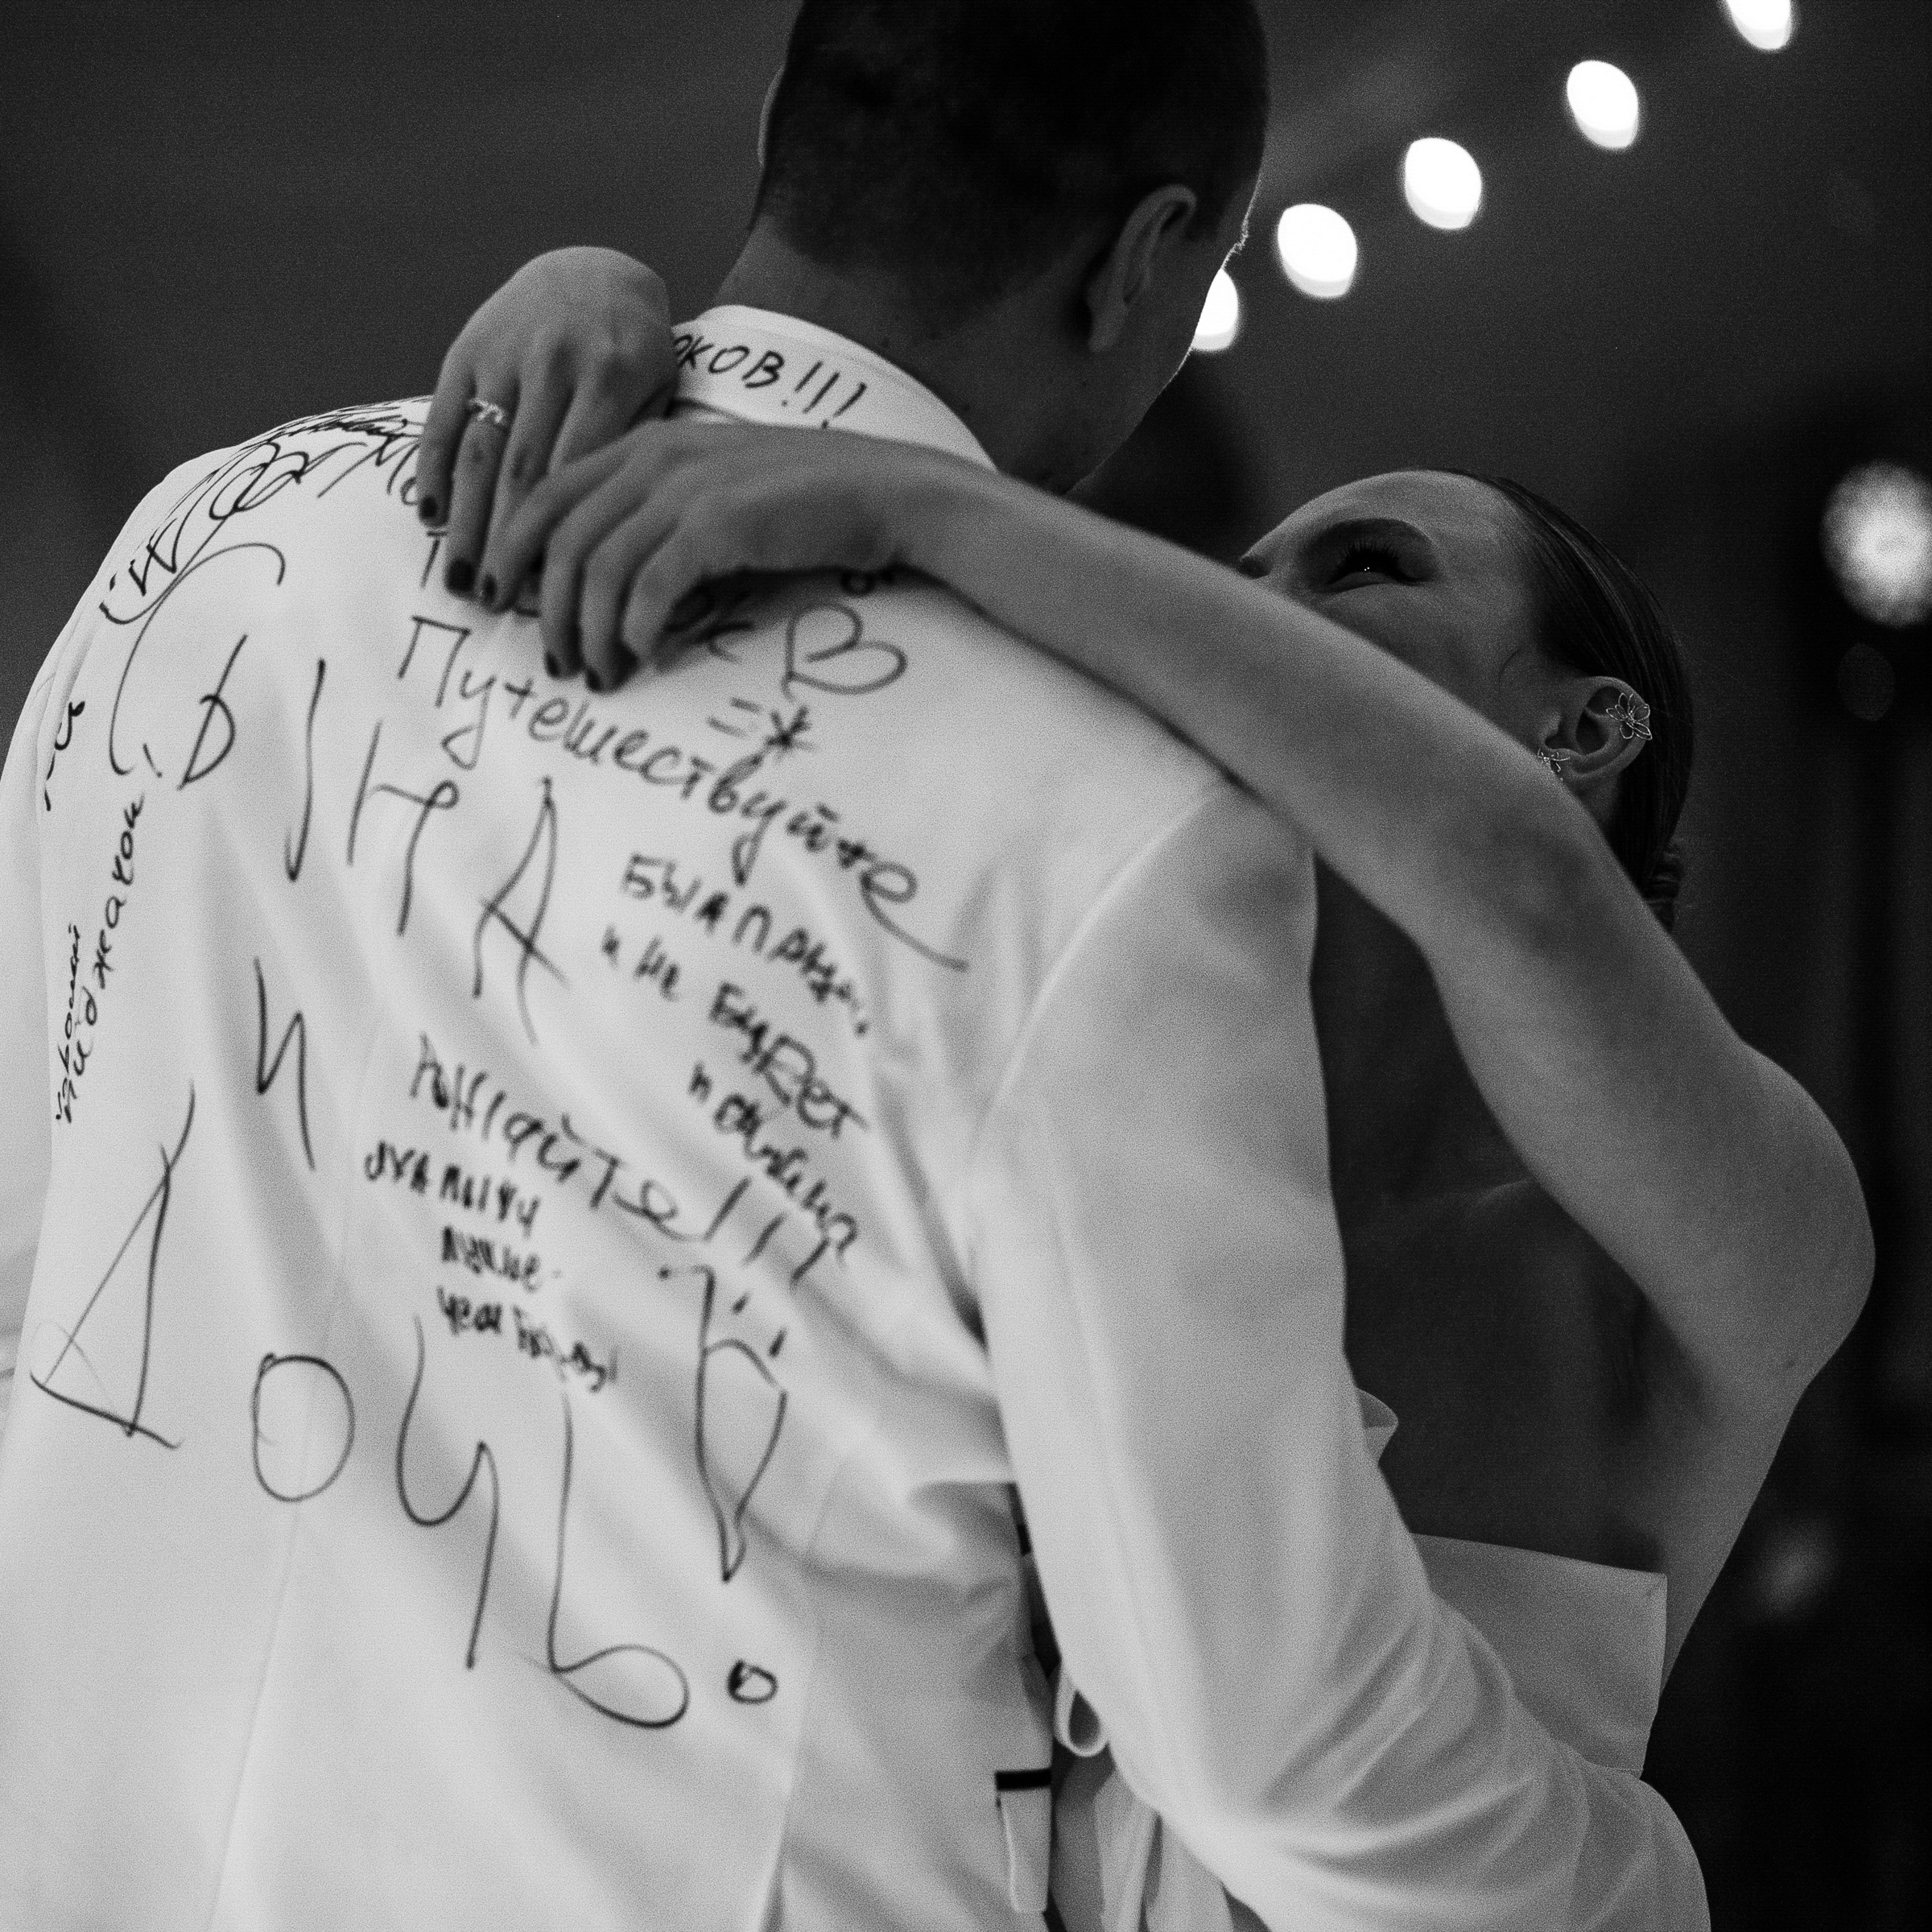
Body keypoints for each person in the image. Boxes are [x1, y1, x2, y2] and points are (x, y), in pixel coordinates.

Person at [0, 4, 1715, 1928]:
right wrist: (1635, 1885)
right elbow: (1274, 1749)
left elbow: (25, 1276)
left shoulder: (205, 543)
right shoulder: (1115, 824)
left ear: (782, 122)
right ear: (1148, 259)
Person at [407, 225, 1869, 1924]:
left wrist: (916, 501)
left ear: (1587, 728)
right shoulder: (1084, 1122)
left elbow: (1521, 891)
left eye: (1364, 568)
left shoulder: (1725, 1230)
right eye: (1241, 582)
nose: (1255, 619)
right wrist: (613, 315)